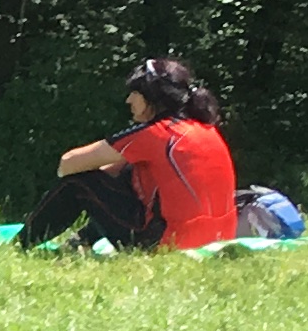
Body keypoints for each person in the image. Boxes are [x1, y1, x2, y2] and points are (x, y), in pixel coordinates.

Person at [15, 58, 239, 252]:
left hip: (167, 241)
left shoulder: (156, 133)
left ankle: (21, 245)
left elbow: (68, 164)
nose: (128, 100)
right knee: (125, 174)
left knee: (78, 183)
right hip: (217, 238)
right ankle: (81, 241)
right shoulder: (206, 129)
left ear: (152, 98)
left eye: (135, 93)